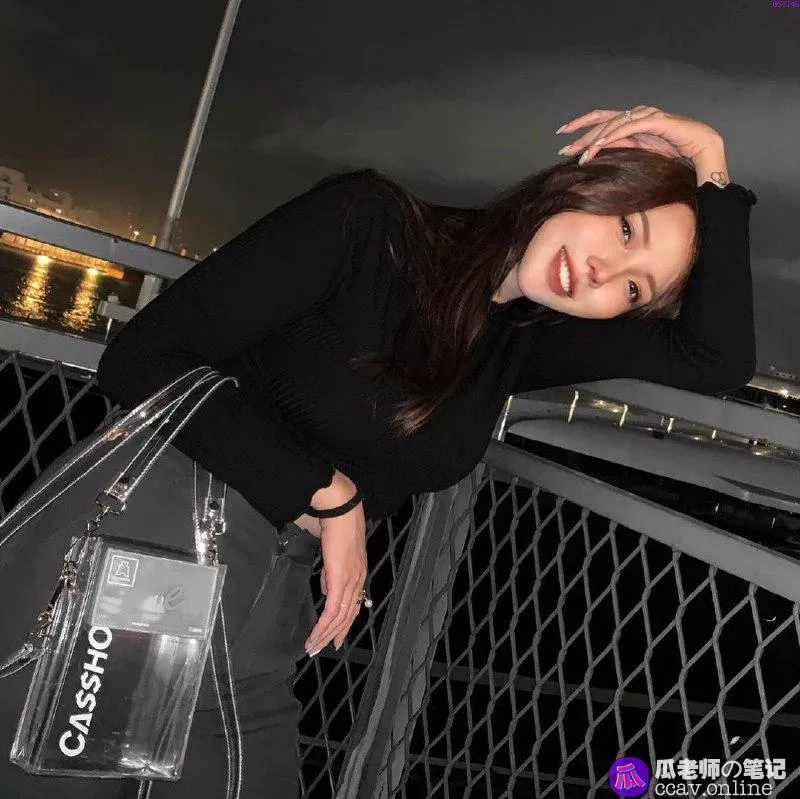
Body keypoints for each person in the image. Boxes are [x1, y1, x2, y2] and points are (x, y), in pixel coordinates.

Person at [0, 105, 757, 798]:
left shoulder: (519, 339)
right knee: (62, 786)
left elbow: (717, 360)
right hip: (156, 559)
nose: (605, 275)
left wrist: (713, 161)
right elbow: (140, 359)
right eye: (626, 232)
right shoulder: (370, 224)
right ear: (587, 183)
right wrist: (328, 491)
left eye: (633, 290)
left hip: (267, 617)